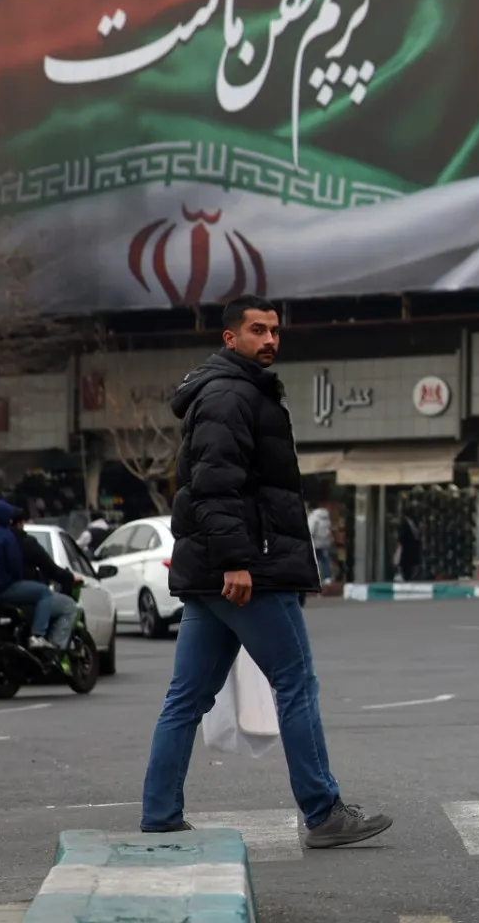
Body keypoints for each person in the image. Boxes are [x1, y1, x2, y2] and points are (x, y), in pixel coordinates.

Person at [140, 295, 392, 849]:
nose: (270, 339)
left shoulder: (235, 389)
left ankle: (159, 814)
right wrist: (236, 559)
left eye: (275, 330)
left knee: (185, 698)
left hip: (214, 576)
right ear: (231, 338)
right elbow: (214, 484)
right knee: (295, 682)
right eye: (258, 330)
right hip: (246, 573)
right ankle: (323, 813)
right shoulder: (232, 394)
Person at [0, 498, 76, 653]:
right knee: (43, 592)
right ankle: (37, 636)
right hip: (1, 590)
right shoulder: (6, 536)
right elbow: (15, 566)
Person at [307, 505, 334, 586]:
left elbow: (310, 530)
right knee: (325, 561)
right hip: (324, 543)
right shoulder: (326, 518)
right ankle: (327, 578)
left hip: (315, 543)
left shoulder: (314, 517)